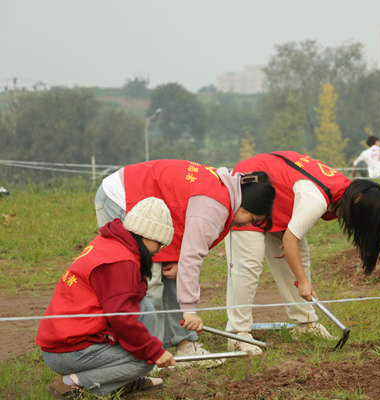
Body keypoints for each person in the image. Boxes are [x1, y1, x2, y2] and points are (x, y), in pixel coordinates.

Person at [94, 160, 276, 366]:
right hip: (122, 197)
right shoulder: (213, 205)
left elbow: (188, 253)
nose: (246, 224)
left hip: (159, 208)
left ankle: (184, 345)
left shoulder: (226, 192)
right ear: (244, 207)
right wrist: (190, 310)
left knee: (171, 271)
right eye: (251, 218)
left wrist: (181, 264)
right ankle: (147, 355)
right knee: (148, 282)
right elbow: (192, 256)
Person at [225, 151, 380, 354]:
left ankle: (305, 325)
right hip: (249, 191)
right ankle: (237, 334)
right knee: (248, 265)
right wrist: (303, 282)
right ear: (357, 200)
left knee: (299, 256)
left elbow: (292, 242)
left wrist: (294, 254)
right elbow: (290, 240)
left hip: (277, 199)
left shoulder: (343, 187)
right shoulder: (317, 199)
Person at [37, 197, 177, 399]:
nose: (158, 251)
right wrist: (155, 351)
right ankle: (69, 383)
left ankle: (120, 380)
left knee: (144, 306)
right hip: (66, 350)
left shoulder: (112, 243)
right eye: (160, 244)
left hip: (68, 337)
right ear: (148, 235)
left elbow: (131, 298)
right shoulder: (119, 262)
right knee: (145, 361)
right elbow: (122, 319)